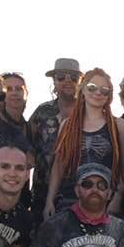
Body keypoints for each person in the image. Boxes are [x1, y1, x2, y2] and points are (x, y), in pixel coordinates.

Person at [44, 69, 124, 219]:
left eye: (104, 90)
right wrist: (49, 200)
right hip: (69, 201)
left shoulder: (119, 126)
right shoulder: (67, 126)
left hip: (104, 201)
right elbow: (58, 167)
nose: (98, 93)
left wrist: (117, 198)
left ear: (109, 96)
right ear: (82, 90)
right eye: (92, 87)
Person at [30, 58, 82, 227]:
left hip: (78, 192)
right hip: (41, 191)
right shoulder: (41, 111)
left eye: (73, 78)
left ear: (80, 82)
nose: (67, 81)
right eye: (61, 77)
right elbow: (27, 144)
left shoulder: (89, 112)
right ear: (53, 81)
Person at [0, 72, 29, 137]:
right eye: (8, 89)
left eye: (19, 89)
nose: (14, 93)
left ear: (26, 93)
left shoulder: (31, 128)